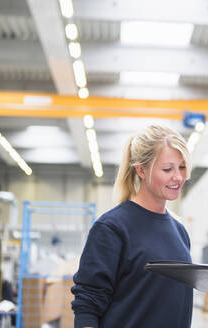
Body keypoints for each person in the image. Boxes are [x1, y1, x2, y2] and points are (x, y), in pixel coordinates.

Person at [71, 125, 193, 328]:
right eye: (167, 169)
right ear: (141, 170)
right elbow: (87, 305)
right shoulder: (111, 229)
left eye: (181, 167)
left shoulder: (180, 232)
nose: (178, 177)